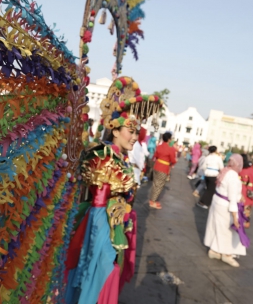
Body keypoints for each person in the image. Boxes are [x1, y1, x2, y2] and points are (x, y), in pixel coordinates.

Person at [65, 77, 162, 303]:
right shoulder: (102, 155)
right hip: (99, 223)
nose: (135, 136)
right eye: (130, 130)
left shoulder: (121, 158)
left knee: (106, 269)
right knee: (98, 270)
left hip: (114, 223)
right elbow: (96, 196)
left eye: (137, 132)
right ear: (115, 130)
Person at [204, 154, 248, 268]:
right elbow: (232, 199)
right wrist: (235, 217)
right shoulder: (233, 177)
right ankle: (227, 254)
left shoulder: (225, 170)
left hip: (217, 201)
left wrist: (239, 196)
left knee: (216, 227)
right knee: (227, 231)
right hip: (225, 206)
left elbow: (224, 189)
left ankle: (214, 250)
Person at [149, 132, 177, 209]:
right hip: (164, 168)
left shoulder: (159, 146)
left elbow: (156, 155)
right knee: (160, 185)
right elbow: (173, 160)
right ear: (169, 139)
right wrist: (174, 162)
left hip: (157, 166)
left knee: (155, 184)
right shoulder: (170, 149)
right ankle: (153, 201)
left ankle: (153, 199)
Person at [239, 154, 253, 228]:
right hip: (246, 191)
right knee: (246, 208)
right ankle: (245, 222)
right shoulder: (250, 169)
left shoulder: (236, 168)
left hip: (237, 190)